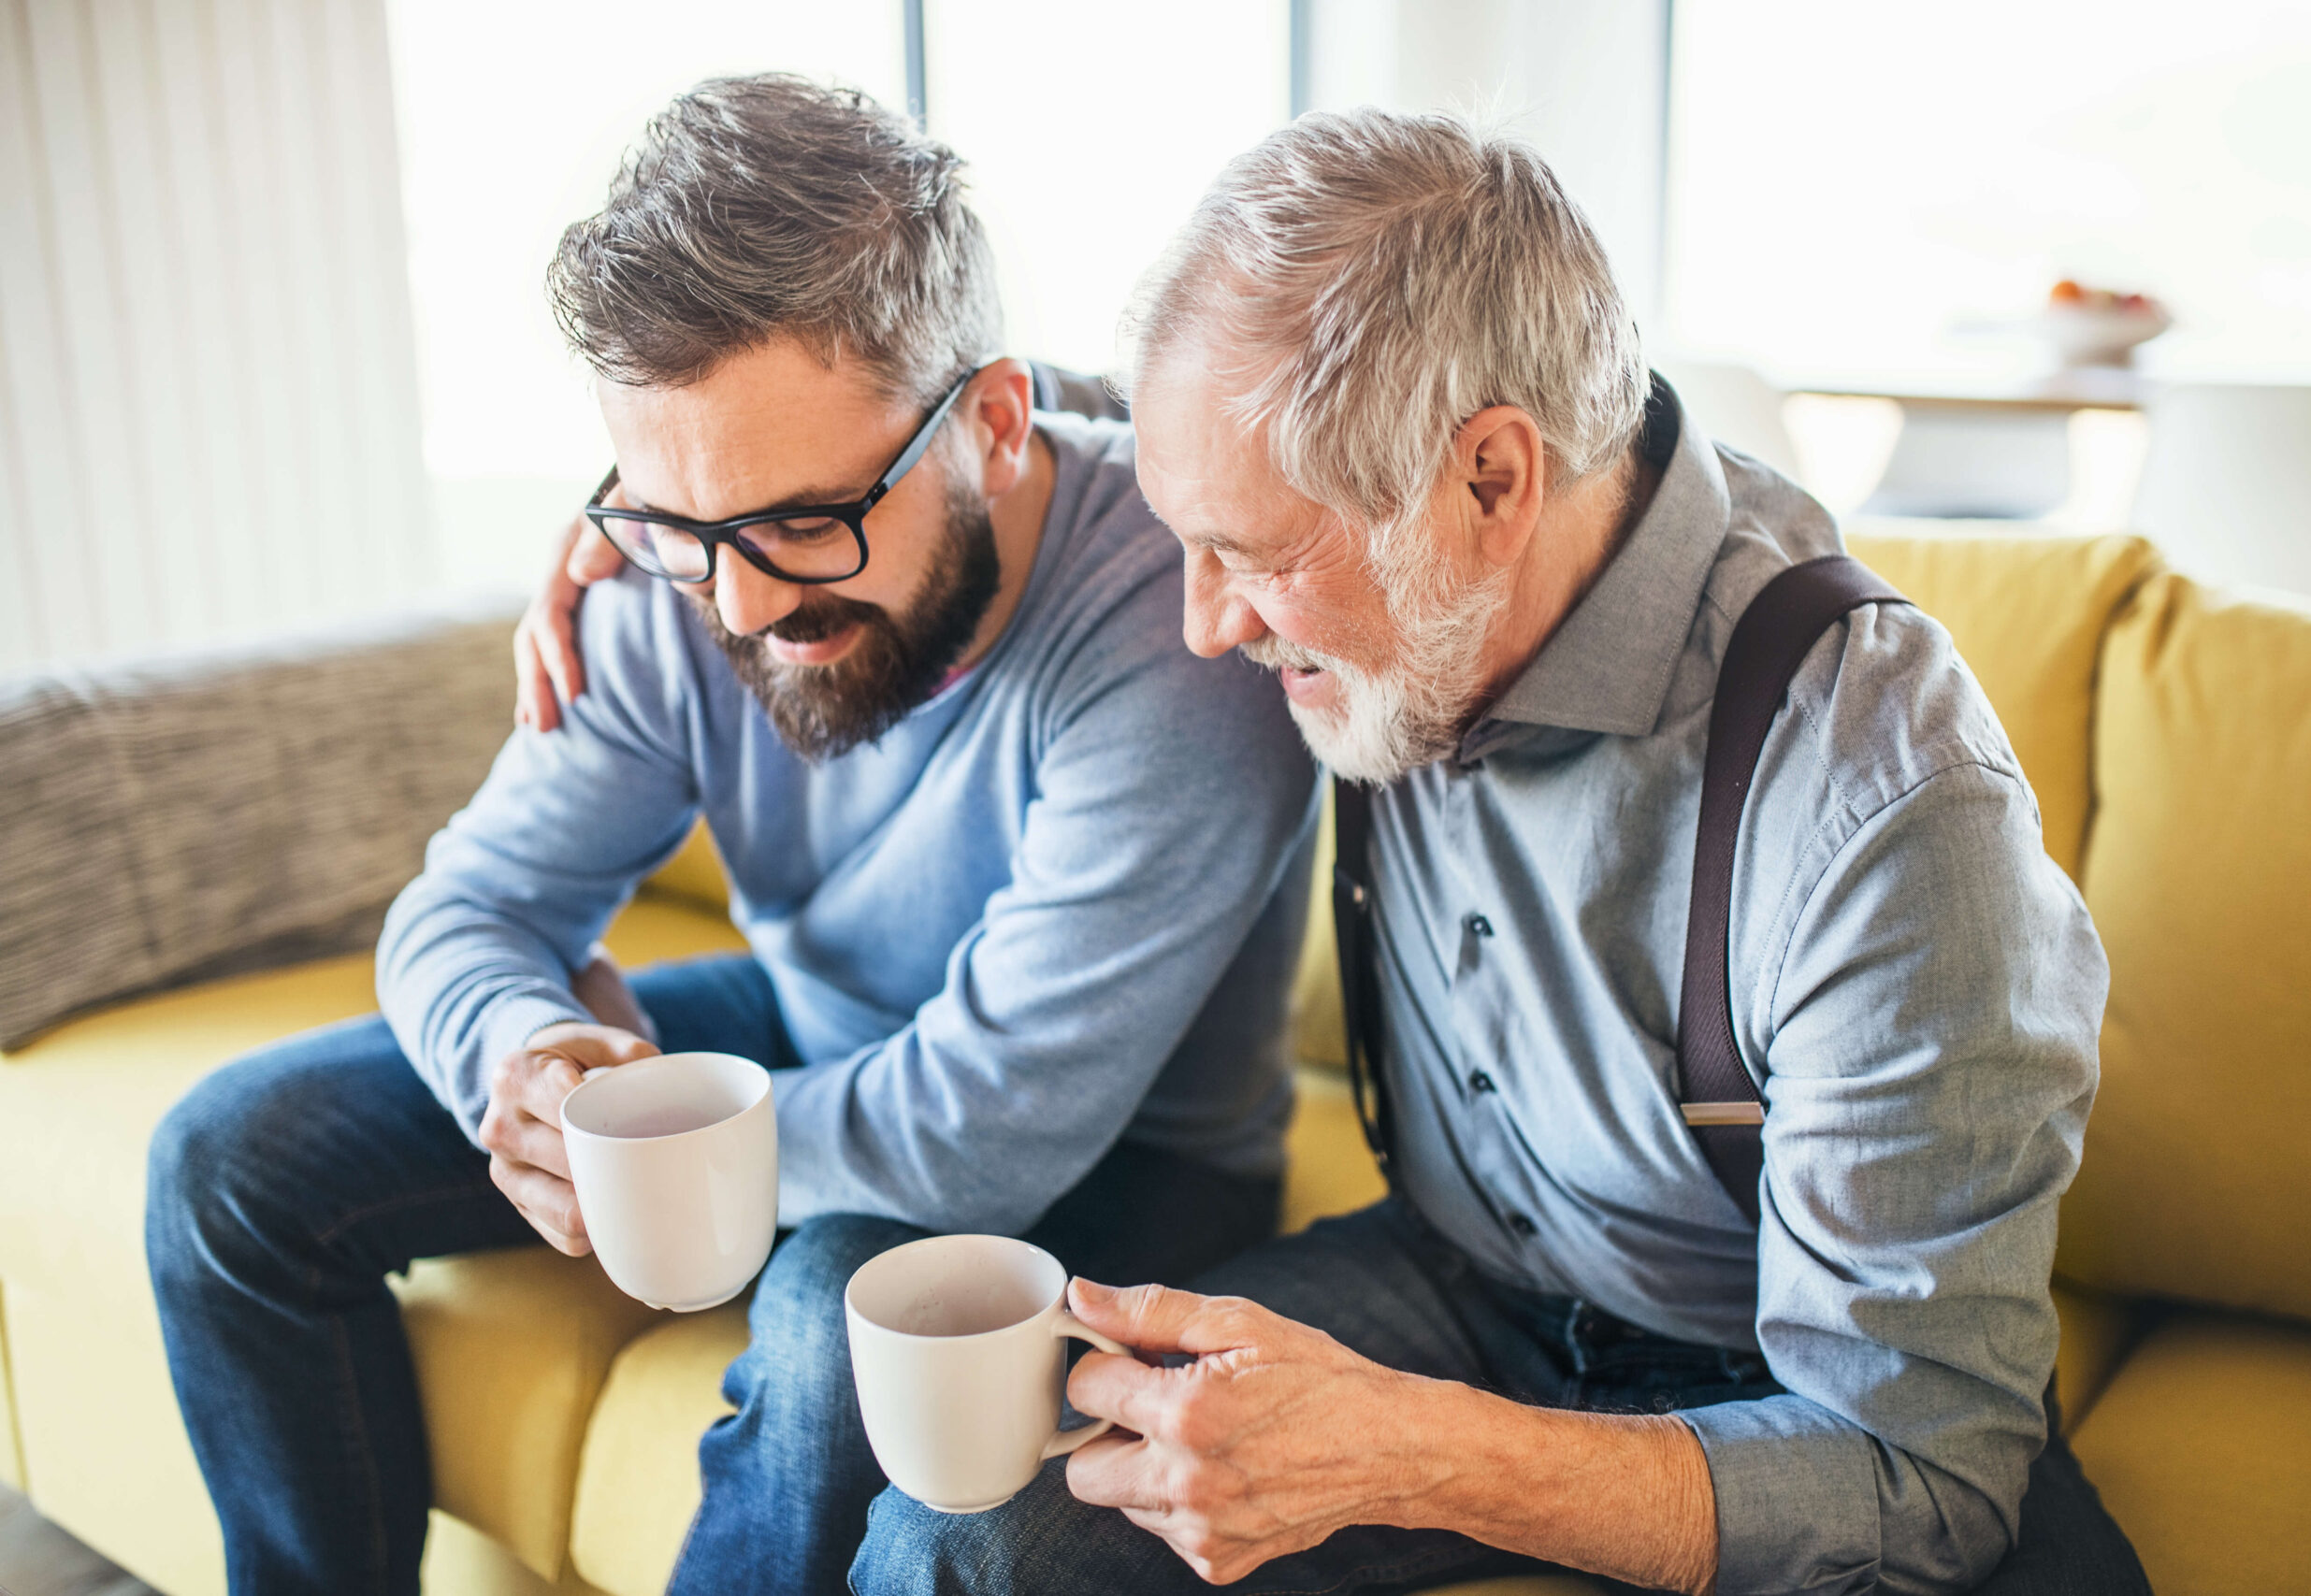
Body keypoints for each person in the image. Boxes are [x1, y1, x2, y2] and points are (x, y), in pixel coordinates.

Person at [846, 109, 2147, 1594]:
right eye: (1185, 538)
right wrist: (689, 519)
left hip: (1784, 1388)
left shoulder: (1883, 806)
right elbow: (1039, 430)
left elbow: (1919, 1474)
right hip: (1460, 1281)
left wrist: (1410, 1451)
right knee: (970, 1549)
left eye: (1257, 557)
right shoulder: (1387, 547)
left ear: (1490, 482)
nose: (1203, 623)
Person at [144, 75, 1316, 1596]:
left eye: (801, 522)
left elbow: (976, 1134)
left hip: (1129, 1153)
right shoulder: (679, 574)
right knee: (228, 1163)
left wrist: (672, 1168)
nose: (744, 608)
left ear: (997, 421)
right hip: (813, 1040)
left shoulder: (1176, 634)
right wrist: (531, 1065)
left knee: (842, 1315)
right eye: (677, 523)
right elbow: (470, 910)